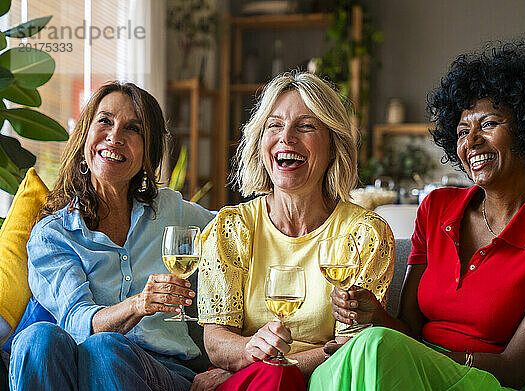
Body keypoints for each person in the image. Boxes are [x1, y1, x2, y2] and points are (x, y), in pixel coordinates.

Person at [309, 38, 525, 390]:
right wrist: (376, 317)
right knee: (348, 359)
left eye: (488, 124)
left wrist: (417, 352)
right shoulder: (436, 208)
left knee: (372, 351)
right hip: (411, 373)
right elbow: (410, 331)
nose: (471, 141)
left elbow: (517, 366)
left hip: (497, 383)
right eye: (462, 131)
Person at [190, 72, 395, 391]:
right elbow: (216, 341)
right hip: (252, 380)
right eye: (274, 124)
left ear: (332, 145)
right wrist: (250, 353)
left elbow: (351, 348)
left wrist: (275, 366)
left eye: (306, 125)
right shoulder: (232, 227)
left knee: (280, 375)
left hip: (328, 382)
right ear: (260, 143)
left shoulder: (363, 234)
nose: (286, 137)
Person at [9, 82, 215, 390]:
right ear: (84, 138)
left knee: (104, 349)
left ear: (148, 151)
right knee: (39, 338)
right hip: (83, 369)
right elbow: (78, 321)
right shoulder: (53, 236)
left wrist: (232, 362)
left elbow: (242, 229)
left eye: (133, 129)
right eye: (105, 121)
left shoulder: (173, 211)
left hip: (164, 372)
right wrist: (139, 304)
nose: (115, 137)